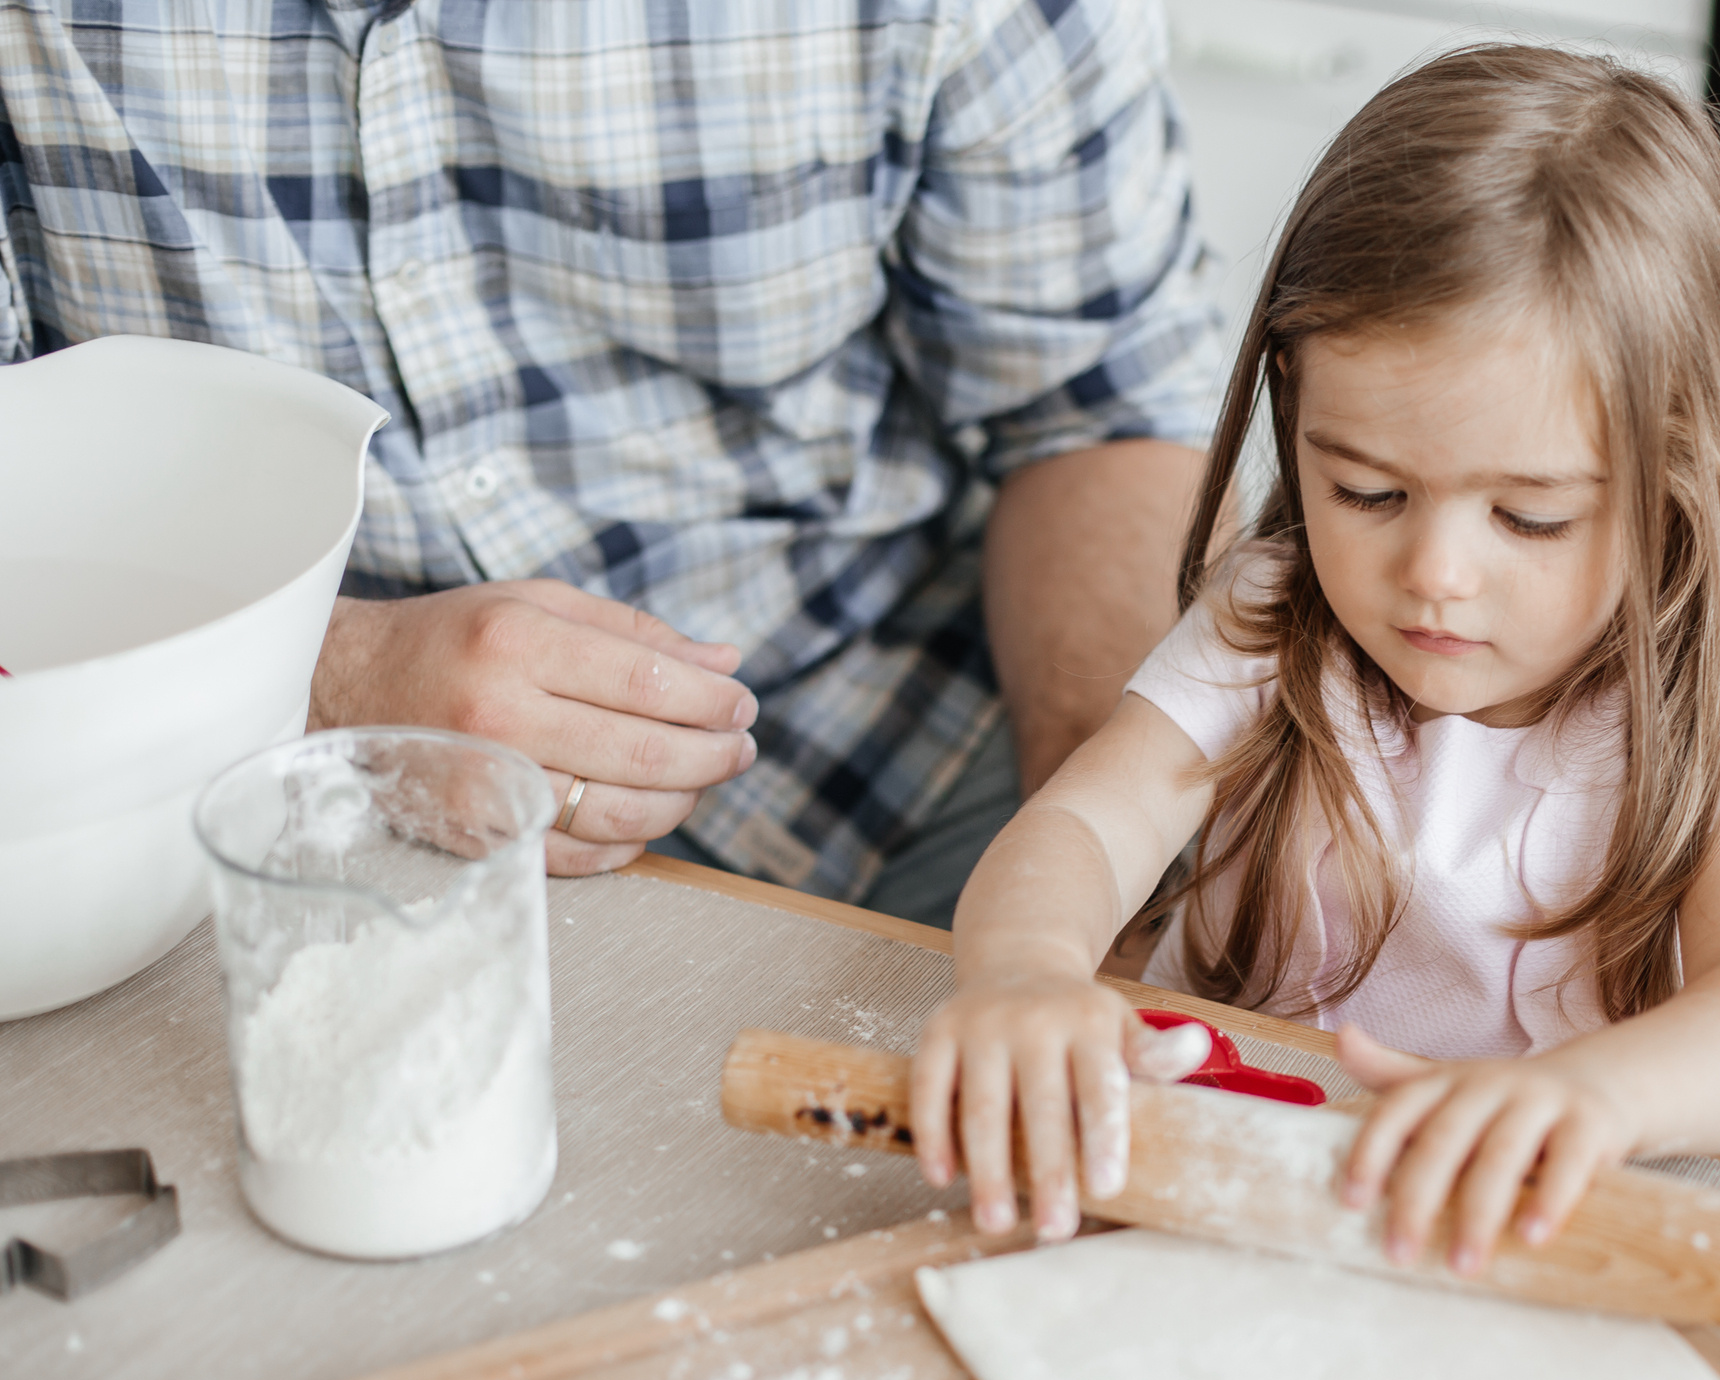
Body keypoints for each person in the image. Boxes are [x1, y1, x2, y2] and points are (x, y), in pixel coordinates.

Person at [911, 44, 1720, 1271]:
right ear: (1292, 407)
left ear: (1676, 480)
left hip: (1507, 1237)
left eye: (1528, 517)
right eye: (1365, 490)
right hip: (1219, 1190)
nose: (1434, 575)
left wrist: (1595, 1098)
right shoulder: (1274, 613)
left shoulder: (1718, 708)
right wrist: (1024, 972)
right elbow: (1086, 822)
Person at [0, 0, 1219, 923]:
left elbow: (1096, 413)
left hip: (920, 744)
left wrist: (1100, 864)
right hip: (222, 804)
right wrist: (328, 688)